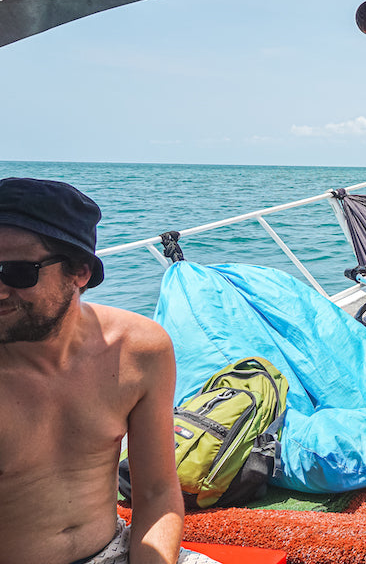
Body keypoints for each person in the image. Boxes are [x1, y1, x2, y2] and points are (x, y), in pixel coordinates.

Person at [0, 178, 215, 564]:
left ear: (79, 273)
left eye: (16, 273)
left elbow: (156, 493)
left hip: (116, 550)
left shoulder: (139, 349)